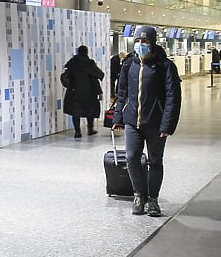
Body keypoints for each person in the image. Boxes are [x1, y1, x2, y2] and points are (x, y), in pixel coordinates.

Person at [113, 26, 182, 217]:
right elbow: (122, 94)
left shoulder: (165, 66)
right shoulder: (129, 64)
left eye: (144, 41)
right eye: (137, 41)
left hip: (155, 123)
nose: (140, 44)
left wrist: (167, 125)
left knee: (155, 161)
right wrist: (118, 116)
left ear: (152, 43)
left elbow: (172, 98)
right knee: (132, 158)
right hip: (132, 122)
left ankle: (153, 200)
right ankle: (139, 196)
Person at [63, 45, 105, 138]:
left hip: (74, 91)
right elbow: (95, 78)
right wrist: (99, 92)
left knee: (75, 112)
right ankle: (90, 129)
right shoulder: (89, 63)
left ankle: (77, 132)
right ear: (86, 52)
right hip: (89, 92)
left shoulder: (72, 62)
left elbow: (67, 76)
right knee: (90, 110)